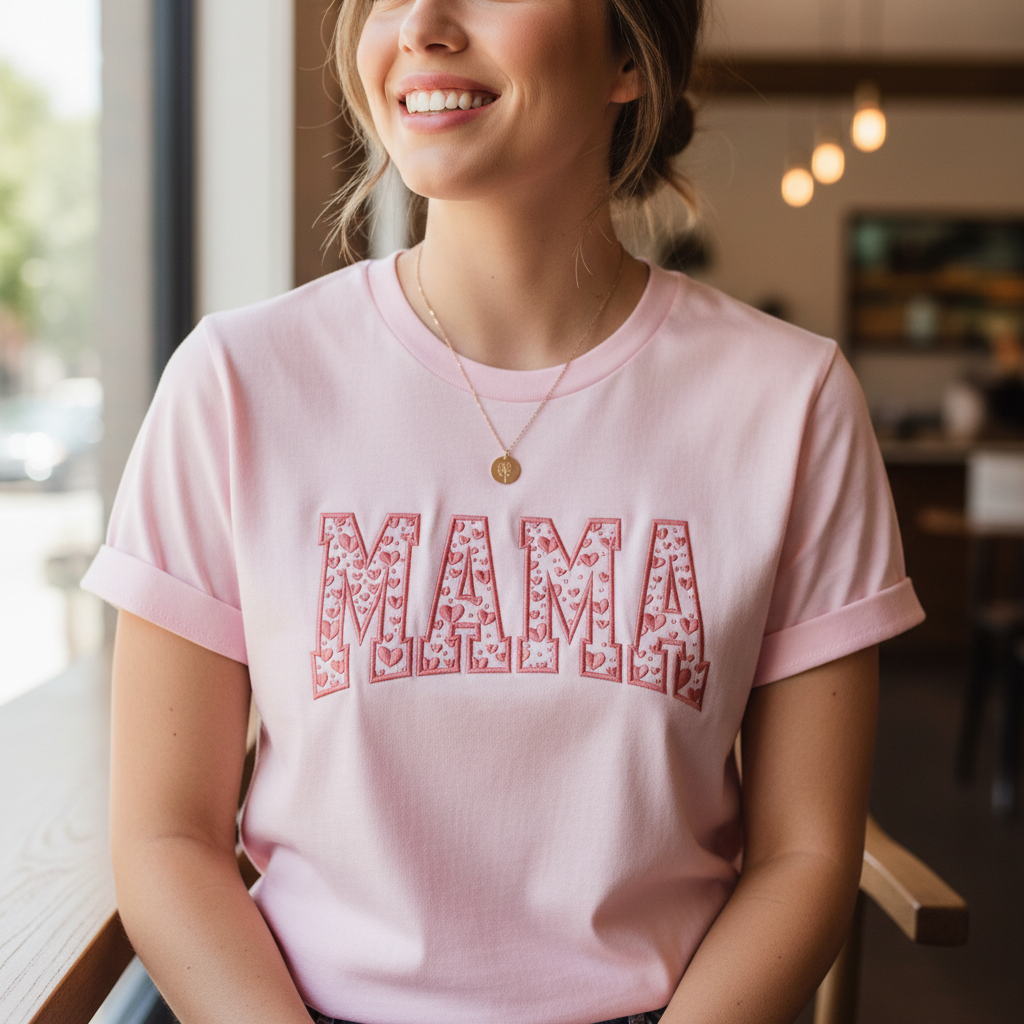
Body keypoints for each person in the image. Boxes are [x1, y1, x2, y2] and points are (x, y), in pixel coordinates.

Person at [82, 2, 925, 1023]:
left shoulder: (789, 402)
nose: (422, 25)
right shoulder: (234, 384)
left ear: (628, 50)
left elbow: (806, 852)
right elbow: (165, 837)